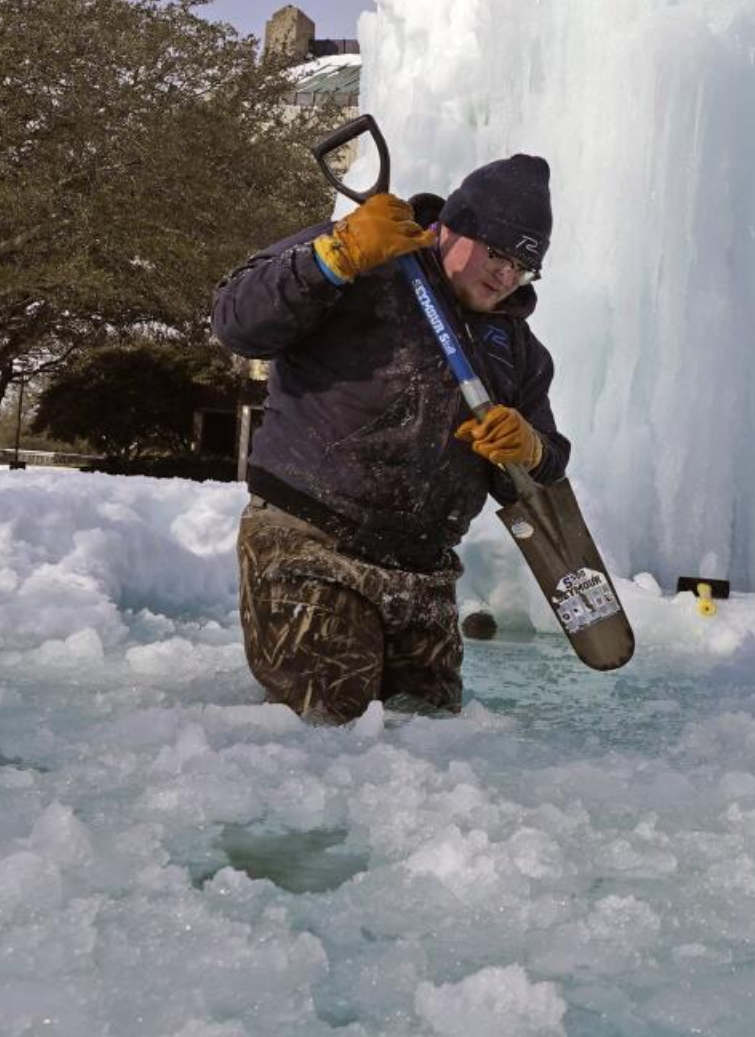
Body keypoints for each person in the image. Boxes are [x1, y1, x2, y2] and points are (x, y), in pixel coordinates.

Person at [211, 154, 569, 723]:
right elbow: (235, 321)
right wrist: (332, 260)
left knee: (430, 753)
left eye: (524, 267)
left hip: (424, 575)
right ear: (451, 226)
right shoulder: (364, 253)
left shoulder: (519, 352)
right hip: (312, 546)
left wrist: (529, 449)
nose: (505, 276)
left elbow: (542, 473)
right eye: (497, 253)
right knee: (325, 739)